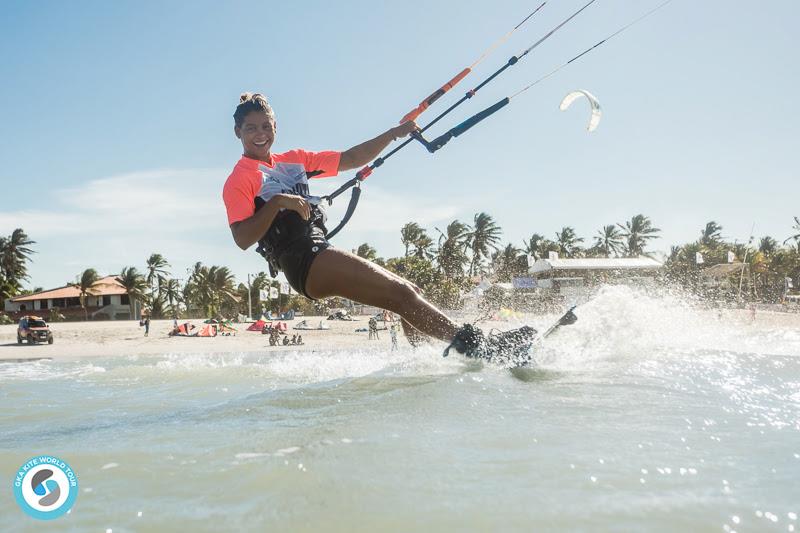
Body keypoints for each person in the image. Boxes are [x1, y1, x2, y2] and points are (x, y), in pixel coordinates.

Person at [222, 93, 535, 360]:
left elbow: (351, 158)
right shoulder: (240, 178)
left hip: (319, 250)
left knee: (411, 293)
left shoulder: (294, 159)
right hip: (301, 260)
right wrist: (278, 202)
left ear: (275, 126)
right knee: (400, 294)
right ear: (237, 132)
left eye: (265, 126)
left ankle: (424, 360)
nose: (259, 133)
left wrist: (392, 134)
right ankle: (482, 347)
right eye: (251, 128)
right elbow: (242, 238)